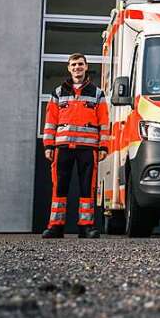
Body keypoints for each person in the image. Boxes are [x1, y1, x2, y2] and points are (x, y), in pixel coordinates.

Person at [42, 53, 111, 239]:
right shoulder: (58, 93)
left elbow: (104, 122)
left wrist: (103, 147)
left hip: (87, 149)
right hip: (62, 147)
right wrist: (48, 145)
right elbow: (50, 121)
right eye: (73, 64)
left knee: (87, 187)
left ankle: (86, 226)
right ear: (68, 68)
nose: (77, 67)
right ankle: (56, 226)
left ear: (86, 67)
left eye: (80, 64)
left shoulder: (97, 94)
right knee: (59, 187)